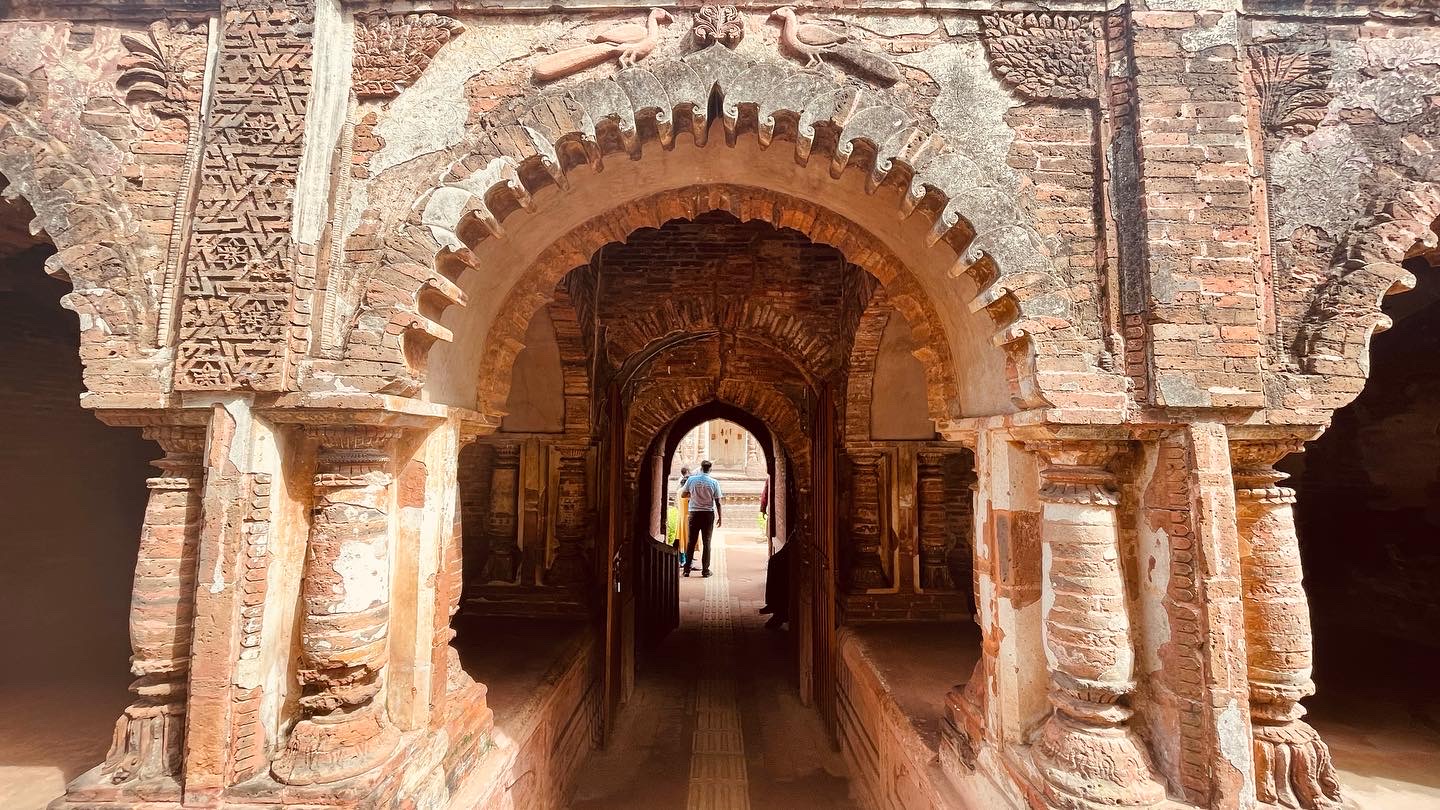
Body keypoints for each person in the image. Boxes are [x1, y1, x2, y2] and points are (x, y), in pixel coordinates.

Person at [681, 460, 723, 578]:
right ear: (710, 469)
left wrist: (693, 495)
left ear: (701, 468)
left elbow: (683, 495)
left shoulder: (691, 480)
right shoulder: (714, 482)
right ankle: (705, 571)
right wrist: (720, 517)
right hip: (707, 515)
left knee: (691, 542)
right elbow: (718, 502)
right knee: (707, 543)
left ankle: (687, 570)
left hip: (694, 513)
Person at [675, 466, 691, 567]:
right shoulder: (688, 494)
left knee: (681, 539)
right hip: (687, 518)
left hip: (680, 517)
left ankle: (682, 560)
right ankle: (688, 562)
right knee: (688, 540)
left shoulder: (678, 491)